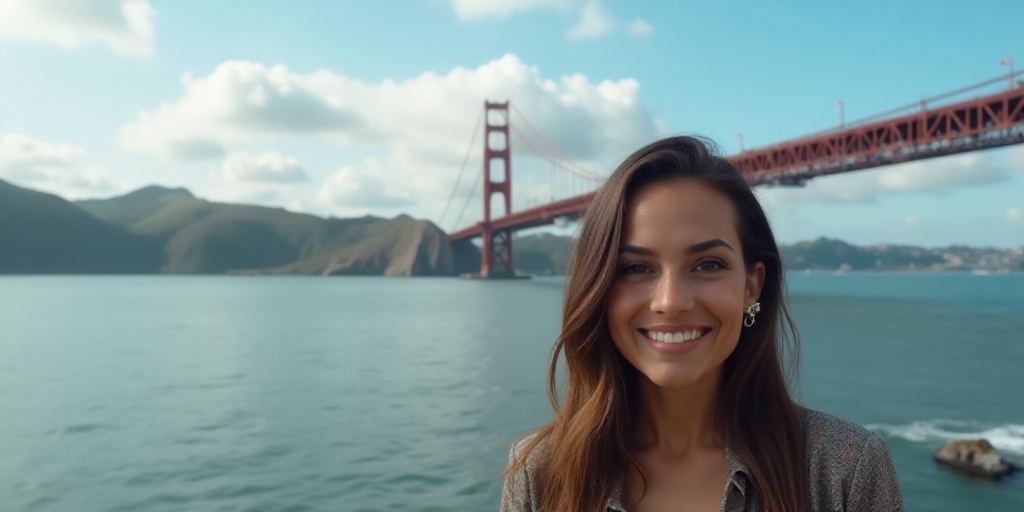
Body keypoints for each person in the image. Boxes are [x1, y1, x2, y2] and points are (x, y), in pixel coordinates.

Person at [499, 136, 903, 512]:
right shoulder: (539, 472)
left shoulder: (847, 468)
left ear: (752, 286)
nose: (671, 302)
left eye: (708, 264)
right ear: (598, 287)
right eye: (635, 268)